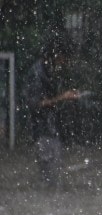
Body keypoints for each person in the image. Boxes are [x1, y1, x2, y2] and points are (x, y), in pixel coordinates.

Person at [24, 37, 81, 188]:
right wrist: (62, 97)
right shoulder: (38, 73)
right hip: (42, 129)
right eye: (64, 58)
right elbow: (36, 103)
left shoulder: (48, 70)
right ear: (56, 55)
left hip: (50, 128)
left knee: (53, 173)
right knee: (49, 175)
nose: (65, 62)